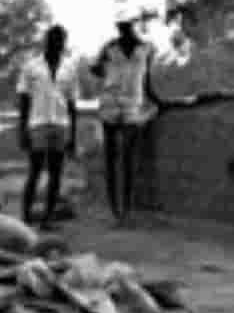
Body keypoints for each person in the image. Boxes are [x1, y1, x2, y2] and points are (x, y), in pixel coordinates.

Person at [90, 13, 163, 225]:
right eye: (120, 26)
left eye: (126, 25)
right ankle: (115, 210)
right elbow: (95, 69)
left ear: (133, 26)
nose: (123, 29)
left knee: (128, 160)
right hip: (110, 105)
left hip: (133, 106)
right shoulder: (109, 48)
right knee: (111, 159)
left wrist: (156, 99)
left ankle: (126, 210)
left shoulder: (147, 49)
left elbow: (146, 78)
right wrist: (107, 74)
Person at [15, 24, 79, 230]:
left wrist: (73, 136)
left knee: (55, 173)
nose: (57, 44)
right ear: (46, 41)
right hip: (38, 124)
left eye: (61, 40)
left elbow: (72, 103)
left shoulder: (70, 68)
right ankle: (25, 217)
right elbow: (24, 100)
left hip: (60, 124)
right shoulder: (31, 66)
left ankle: (47, 219)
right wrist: (22, 130)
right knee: (34, 171)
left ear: (63, 43)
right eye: (53, 40)